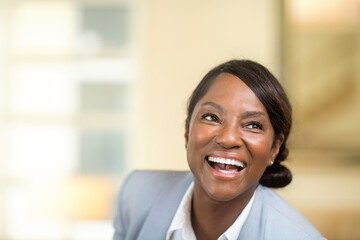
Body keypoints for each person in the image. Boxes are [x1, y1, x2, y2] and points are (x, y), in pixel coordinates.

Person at [113, 60, 325, 240]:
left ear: (274, 148)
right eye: (211, 117)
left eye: (253, 125)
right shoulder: (137, 194)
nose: (228, 138)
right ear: (187, 131)